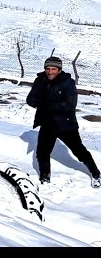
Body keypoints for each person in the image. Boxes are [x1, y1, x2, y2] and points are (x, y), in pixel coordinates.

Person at [26, 56, 101, 188]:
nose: (50, 72)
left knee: (79, 151)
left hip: (66, 124)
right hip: (47, 123)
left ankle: (96, 174)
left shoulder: (68, 82)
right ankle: (45, 179)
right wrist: (42, 100)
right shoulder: (40, 80)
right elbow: (31, 100)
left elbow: (70, 105)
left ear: (59, 70)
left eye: (53, 69)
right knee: (42, 153)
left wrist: (45, 102)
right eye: (48, 69)